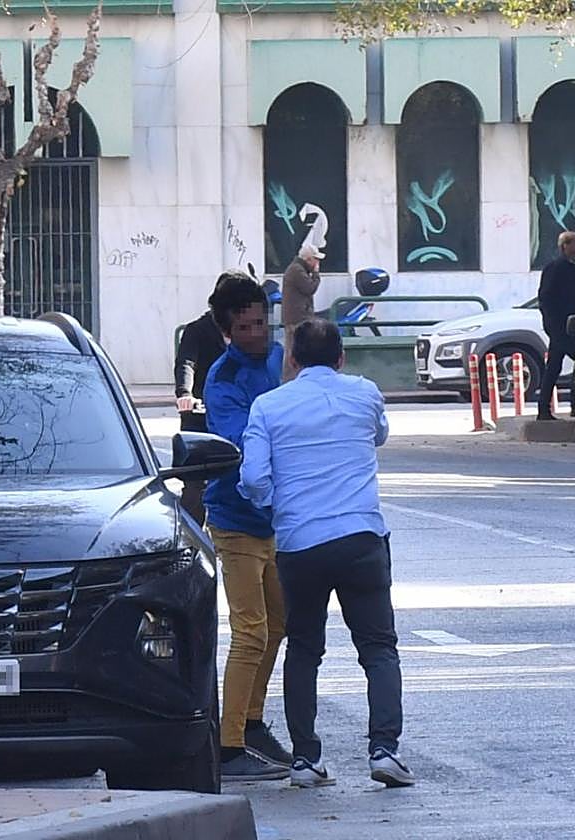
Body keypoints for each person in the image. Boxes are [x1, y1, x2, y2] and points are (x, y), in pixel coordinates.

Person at [238, 318, 414, 790]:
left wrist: (277, 504)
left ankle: (305, 759)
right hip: (361, 537)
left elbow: (253, 478)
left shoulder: (269, 406)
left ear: (292, 359)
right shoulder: (365, 393)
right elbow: (379, 435)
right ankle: (385, 750)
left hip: (300, 544)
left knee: (303, 648)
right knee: (378, 648)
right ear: (342, 358)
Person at [202, 270, 292, 781]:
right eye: (246, 327)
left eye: (262, 323)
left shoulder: (281, 359)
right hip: (236, 520)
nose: (258, 334)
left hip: (275, 520)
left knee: (278, 624)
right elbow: (243, 445)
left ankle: (251, 722)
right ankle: (229, 744)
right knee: (250, 631)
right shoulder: (223, 379)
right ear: (227, 331)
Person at [173, 282, 229, 524]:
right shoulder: (197, 330)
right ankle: (190, 537)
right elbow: (186, 362)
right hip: (199, 415)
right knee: (195, 484)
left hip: (231, 416)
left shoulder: (246, 334)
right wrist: (185, 394)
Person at [536, 231, 575, 420]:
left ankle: (548, 409)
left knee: (555, 366)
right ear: (565, 246)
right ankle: (571, 405)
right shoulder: (556, 268)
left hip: (573, 325)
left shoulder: (574, 268)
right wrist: (553, 324)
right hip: (560, 326)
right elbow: (546, 298)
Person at [280, 246, 322, 382]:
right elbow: (310, 288)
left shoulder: (297, 269)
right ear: (308, 259)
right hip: (297, 319)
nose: (317, 263)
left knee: (295, 350)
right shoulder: (297, 270)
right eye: (315, 259)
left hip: (297, 318)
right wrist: (316, 274)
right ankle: (289, 380)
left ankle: (293, 379)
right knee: (293, 351)